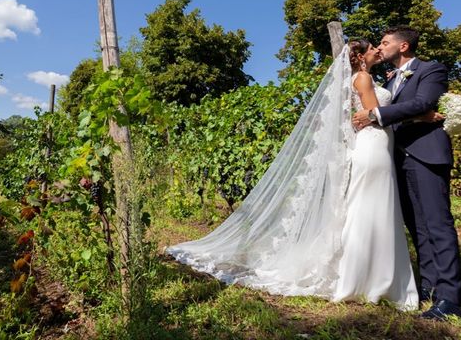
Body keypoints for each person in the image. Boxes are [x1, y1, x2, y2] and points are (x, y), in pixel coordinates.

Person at [166, 39, 418, 311]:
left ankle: (363, 275)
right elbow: (375, 115)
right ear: (359, 56)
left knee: (366, 208)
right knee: (373, 207)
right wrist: (419, 115)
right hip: (374, 143)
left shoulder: (356, 79)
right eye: (372, 48)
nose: (377, 51)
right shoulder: (364, 78)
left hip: (369, 145)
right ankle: (373, 278)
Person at [353, 26, 461, 321]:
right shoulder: (392, 78)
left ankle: (450, 298)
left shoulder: (431, 69)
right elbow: (412, 110)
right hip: (398, 157)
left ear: (403, 47)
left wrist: (376, 114)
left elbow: (424, 103)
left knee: (438, 224)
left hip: (426, 154)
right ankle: (428, 286)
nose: (380, 46)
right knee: (417, 226)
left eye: (385, 42)